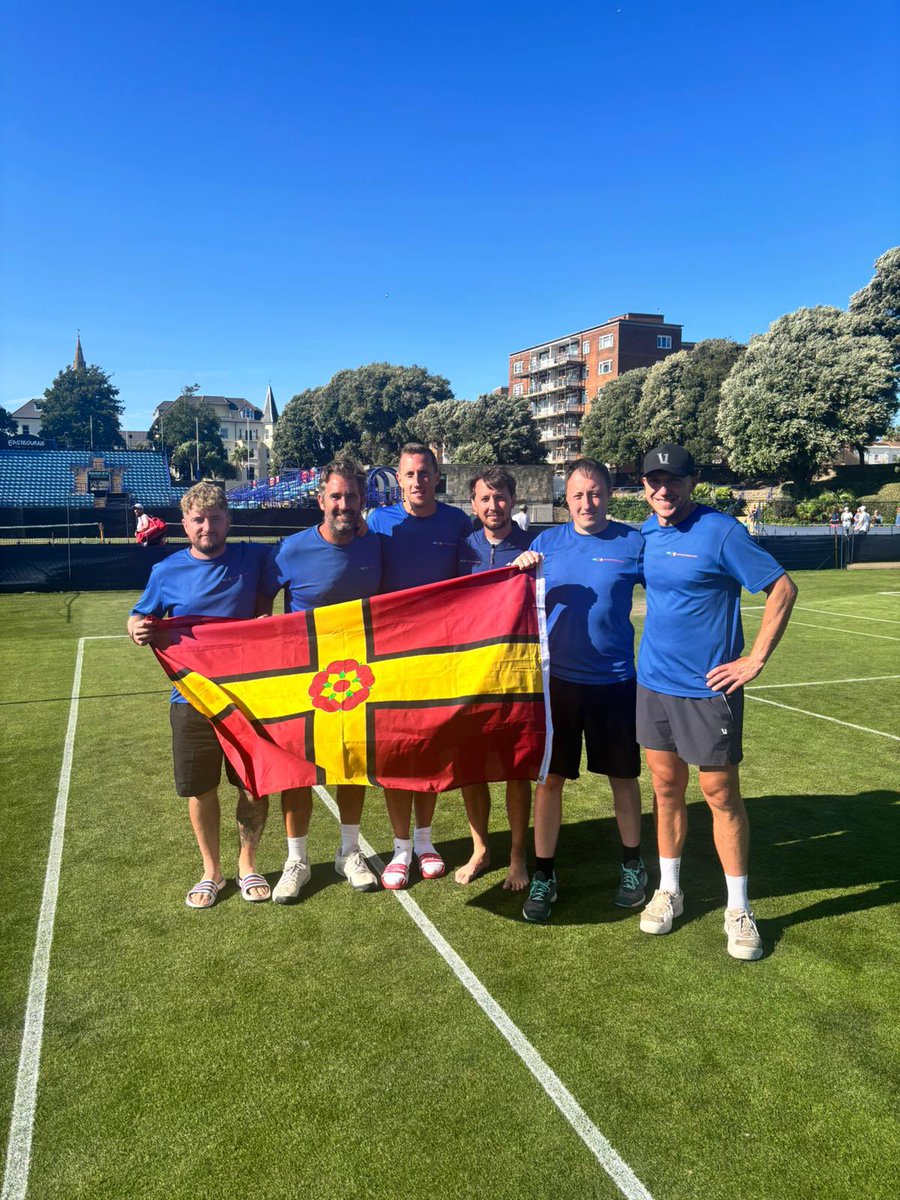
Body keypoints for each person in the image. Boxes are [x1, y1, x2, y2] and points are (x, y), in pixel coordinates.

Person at [636, 444, 797, 961]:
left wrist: (755, 659)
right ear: (645, 485)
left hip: (708, 690)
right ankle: (669, 890)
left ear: (692, 482)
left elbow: (782, 589)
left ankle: (739, 909)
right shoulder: (645, 532)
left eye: (674, 480)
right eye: (655, 481)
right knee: (665, 789)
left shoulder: (721, 531)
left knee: (720, 795)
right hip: (653, 684)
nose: (664, 490)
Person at [127, 483, 273, 908]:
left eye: (215, 518)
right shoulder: (166, 571)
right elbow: (140, 615)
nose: (207, 527)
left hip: (247, 698)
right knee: (200, 789)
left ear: (229, 521)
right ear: (185, 524)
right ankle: (212, 871)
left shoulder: (254, 557)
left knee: (253, 786)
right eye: (198, 520)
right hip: (190, 700)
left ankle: (247, 865)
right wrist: (135, 627)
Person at [513, 459, 646, 923]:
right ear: (565, 499)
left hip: (616, 683)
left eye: (595, 493)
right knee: (550, 781)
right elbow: (513, 599)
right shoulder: (545, 544)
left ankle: (633, 865)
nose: (587, 502)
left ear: (608, 494)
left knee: (623, 778)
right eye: (577, 495)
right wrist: (518, 568)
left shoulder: (634, 543)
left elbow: (675, 590)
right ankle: (544, 874)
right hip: (558, 687)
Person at [261, 459, 382, 903]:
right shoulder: (289, 550)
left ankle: (349, 852)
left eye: (351, 496)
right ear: (320, 500)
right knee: (297, 770)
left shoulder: (376, 546)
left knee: (352, 763)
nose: (343, 504)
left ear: (362, 501)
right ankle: (296, 860)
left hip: (357, 678)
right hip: (301, 678)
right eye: (335, 496)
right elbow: (259, 610)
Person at [367, 443, 472, 889]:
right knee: (397, 752)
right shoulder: (378, 522)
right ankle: (400, 847)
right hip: (390, 657)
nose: (417, 481)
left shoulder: (457, 522)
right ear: (399, 478)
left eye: (424, 473)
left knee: (430, 749)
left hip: (439, 657)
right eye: (409, 474)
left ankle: (426, 841)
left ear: (436, 476)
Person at [456, 467, 535, 891]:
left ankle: (518, 855)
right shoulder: (462, 548)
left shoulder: (533, 547)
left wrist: (535, 567)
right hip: (472, 675)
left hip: (517, 677)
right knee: (472, 768)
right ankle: (481, 848)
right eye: (485, 498)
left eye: (500, 497)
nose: (493, 505)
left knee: (516, 768)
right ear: (473, 504)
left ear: (512, 500)